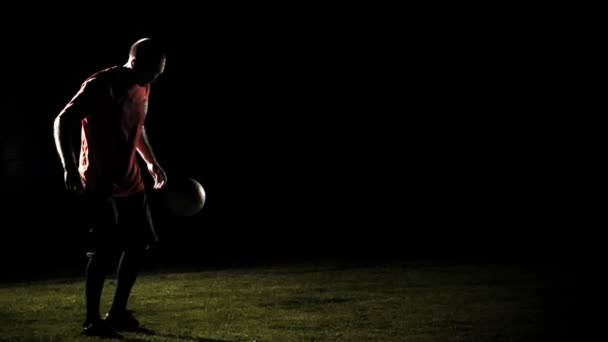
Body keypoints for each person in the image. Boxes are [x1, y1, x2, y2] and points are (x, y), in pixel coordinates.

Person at [53, 37, 168, 337]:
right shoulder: (102, 83)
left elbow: (138, 126)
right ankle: (92, 320)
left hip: (131, 180)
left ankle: (117, 312)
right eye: (153, 72)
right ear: (136, 62)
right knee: (104, 251)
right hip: (98, 181)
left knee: (140, 244)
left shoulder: (145, 85)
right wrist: (69, 165)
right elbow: (63, 120)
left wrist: (151, 162)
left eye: (159, 73)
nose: (155, 78)